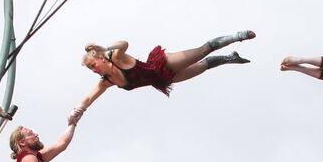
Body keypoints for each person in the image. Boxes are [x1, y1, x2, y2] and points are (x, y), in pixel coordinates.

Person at [70, 30, 256, 123]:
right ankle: (231, 57)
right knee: (202, 67)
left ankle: (238, 36)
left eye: (93, 66)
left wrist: (105, 48)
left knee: (200, 52)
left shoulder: (116, 57)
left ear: (101, 58)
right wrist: (77, 111)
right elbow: (88, 97)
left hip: (161, 64)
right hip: (162, 79)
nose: (94, 70)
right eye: (91, 70)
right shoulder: (106, 82)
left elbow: (124, 43)